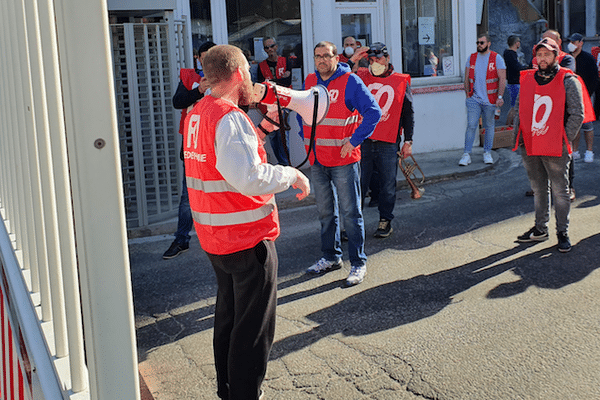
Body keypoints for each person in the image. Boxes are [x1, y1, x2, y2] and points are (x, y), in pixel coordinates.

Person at [183, 44, 310, 400]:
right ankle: (245, 394)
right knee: (252, 327)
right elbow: (248, 177)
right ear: (239, 72)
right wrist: (290, 175)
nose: (253, 79)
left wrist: (264, 122)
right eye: (249, 72)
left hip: (215, 238)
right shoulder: (229, 116)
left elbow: (222, 163)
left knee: (228, 319)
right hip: (246, 238)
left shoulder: (199, 111)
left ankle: (228, 390)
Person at [300, 40, 381, 286]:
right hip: (317, 159)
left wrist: (355, 140)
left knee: (350, 213)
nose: (321, 60)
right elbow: (301, 111)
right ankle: (331, 257)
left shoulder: (350, 81)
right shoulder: (309, 82)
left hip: (343, 159)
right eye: (317, 56)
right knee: (325, 213)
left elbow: (373, 112)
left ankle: (358, 263)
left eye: (326, 56)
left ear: (337, 58)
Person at [513, 38, 584, 253]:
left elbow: (577, 114)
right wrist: (518, 137)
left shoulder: (567, 80)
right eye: (540, 54)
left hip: (555, 146)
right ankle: (540, 229)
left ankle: (562, 232)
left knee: (561, 191)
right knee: (538, 189)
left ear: (556, 56)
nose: (543, 58)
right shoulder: (527, 78)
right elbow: (519, 109)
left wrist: (564, 139)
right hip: (531, 144)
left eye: (547, 54)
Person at [354, 42, 414, 238]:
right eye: (370, 60)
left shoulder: (400, 81)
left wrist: (408, 141)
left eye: (378, 59)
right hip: (364, 140)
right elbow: (340, 74)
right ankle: (354, 224)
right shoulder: (362, 76)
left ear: (387, 59)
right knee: (359, 184)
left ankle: (385, 220)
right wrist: (355, 57)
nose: (374, 63)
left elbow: (408, 113)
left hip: (388, 141)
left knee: (387, 184)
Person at [163, 41, 216, 259]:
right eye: (204, 57)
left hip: (217, 141)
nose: (207, 61)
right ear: (198, 58)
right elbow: (178, 102)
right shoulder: (188, 76)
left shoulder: (225, 77)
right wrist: (199, 90)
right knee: (188, 196)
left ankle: (219, 238)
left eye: (211, 57)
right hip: (193, 143)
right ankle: (181, 239)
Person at [525, 30, 576, 198]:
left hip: (560, 116)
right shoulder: (536, 59)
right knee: (539, 155)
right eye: (542, 39)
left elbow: (561, 79)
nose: (545, 41)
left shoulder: (567, 59)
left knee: (563, 158)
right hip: (540, 115)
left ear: (558, 44)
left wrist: (566, 136)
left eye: (550, 40)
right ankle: (540, 187)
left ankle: (569, 188)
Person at [459, 34, 506, 166]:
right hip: (474, 99)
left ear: (489, 43)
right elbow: (467, 77)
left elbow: (502, 79)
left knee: (489, 126)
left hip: (490, 100)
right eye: (478, 42)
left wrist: (500, 97)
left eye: (482, 43)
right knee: (471, 125)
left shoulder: (496, 58)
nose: (479, 45)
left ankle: (487, 153)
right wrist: (467, 95)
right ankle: (466, 154)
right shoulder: (472, 58)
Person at [256, 37, 293, 165]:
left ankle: (286, 165)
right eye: (267, 47)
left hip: (284, 103)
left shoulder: (286, 61)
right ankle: (283, 164)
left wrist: (272, 83)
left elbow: (287, 82)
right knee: (272, 136)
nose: (270, 49)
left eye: (272, 46)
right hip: (268, 106)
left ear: (276, 46)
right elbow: (262, 86)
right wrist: (280, 81)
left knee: (282, 136)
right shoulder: (261, 66)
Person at [567, 33, 598, 163]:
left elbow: (594, 79)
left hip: (585, 95)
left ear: (581, 43)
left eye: (575, 42)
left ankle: (589, 151)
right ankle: (575, 151)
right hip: (570, 96)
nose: (572, 44)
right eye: (571, 42)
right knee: (575, 125)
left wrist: (588, 94)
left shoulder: (588, 58)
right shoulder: (567, 58)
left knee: (587, 125)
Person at [503, 35, 527, 124]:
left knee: (515, 105)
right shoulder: (511, 54)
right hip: (514, 82)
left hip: (513, 81)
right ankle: (508, 124)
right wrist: (525, 68)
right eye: (518, 42)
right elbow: (516, 67)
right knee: (514, 105)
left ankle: (510, 124)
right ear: (516, 43)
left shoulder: (509, 53)